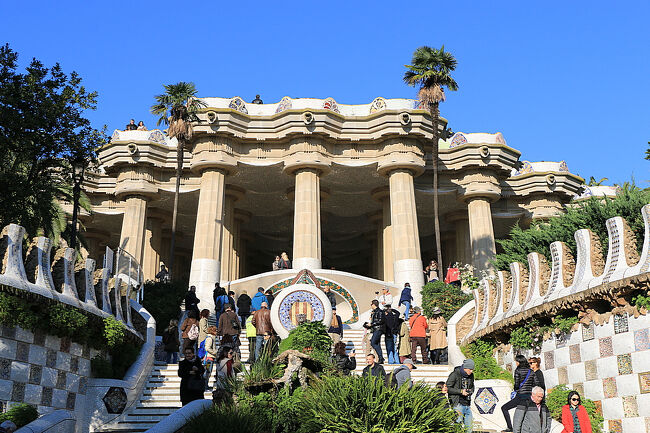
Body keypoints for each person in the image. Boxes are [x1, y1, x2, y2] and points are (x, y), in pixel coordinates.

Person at [502, 355, 535, 432]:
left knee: (504, 408)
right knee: (526, 414)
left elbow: (516, 384)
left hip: (520, 396)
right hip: (529, 397)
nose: (516, 363)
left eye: (516, 361)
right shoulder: (531, 371)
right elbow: (535, 384)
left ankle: (510, 427)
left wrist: (515, 389)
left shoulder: (518, 370)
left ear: (519, 362)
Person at [447, 359, 475, 433]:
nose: (471, 371)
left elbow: (472, 386)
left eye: (472, 369)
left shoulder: (471, 376)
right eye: (470, 369)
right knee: (457, 427)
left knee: (469, 428)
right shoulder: (455, 374)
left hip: (467, 404)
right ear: (465, 368)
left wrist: (470, 391)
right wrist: (460, 391)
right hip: (457, 404)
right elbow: (448, 388)